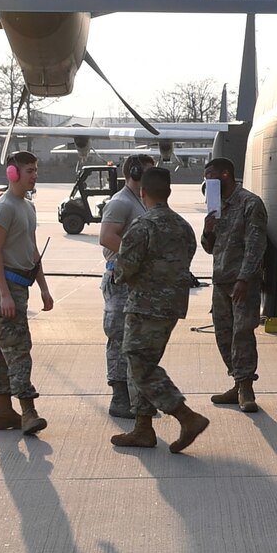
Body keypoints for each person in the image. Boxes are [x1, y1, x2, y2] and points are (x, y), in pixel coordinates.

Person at [108, 167, 212, 453]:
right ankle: (143, 428)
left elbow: (124, 269)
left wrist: (118, 271)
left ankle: (185, 416)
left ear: (143, 193)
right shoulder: (183, 227)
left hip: (144, 306)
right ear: (168, 192)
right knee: (142, 362)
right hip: (172, 307)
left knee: (138, 363)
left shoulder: (142, 226)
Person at [0, 151, 54, 436]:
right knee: (18, 350)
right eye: (29, 170)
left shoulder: (28, 206)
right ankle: (28, 411)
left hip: (22, 286)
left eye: (36, 169)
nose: (35, 174)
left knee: (3, 352)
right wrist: (4, 294)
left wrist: (44, 288)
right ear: (13, 174)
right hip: (8, 286)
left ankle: (2, 412)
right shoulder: (4, 207)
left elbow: (32, 250)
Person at [201, 156, 268, 413]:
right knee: (223, 334)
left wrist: (244, 279)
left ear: (226, 175)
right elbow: (209, 247)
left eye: (211, 175)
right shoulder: (217, 205)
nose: (207, 181)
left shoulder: (249, 203)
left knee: (242, 333)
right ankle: (237, 381)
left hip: (242, 282)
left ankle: (246, 388)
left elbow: (256, 245)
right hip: (221, 281)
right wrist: (208, 229)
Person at [98, 155, 156, 418]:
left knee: (135, 342)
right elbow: (107, 237)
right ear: (134, 173)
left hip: (134, 281)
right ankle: (120, 398)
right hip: (119, 280)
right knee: (118, 338)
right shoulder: (120, 202)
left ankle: (137, 397)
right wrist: (136, 257)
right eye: (148, 172)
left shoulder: (139, 202)